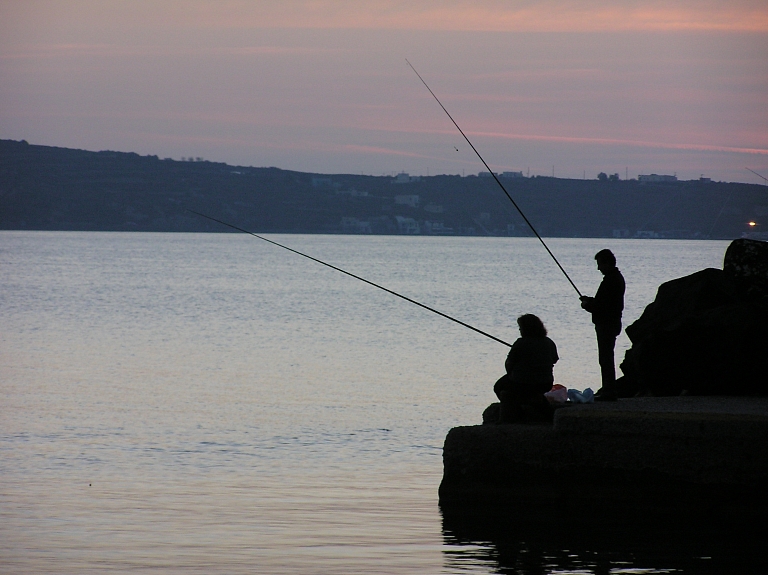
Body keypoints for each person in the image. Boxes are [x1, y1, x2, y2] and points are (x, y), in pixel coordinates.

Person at [493, 314, 559, 422]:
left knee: (499, 386)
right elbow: (554, 359)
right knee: (531, 392)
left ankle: (515, 413)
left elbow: (509, 363)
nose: (520, 330)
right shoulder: (548, 342)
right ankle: (533, 404)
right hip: (546, 382)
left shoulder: (521, 343)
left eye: (521, 328)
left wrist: (511, 373)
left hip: (522, 382)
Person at [580, 249, 625, 399]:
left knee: (605, 358)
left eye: (600, 264)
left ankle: (609, 390)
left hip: (606, 324)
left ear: (607, 263)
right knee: (606, 357)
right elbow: (604, 302)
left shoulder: (611, 281)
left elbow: (602, 307)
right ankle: (609, 389)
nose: (598, 268)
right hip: (611, 323)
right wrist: (590, 300)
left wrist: (587, 305)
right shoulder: (615, 278)